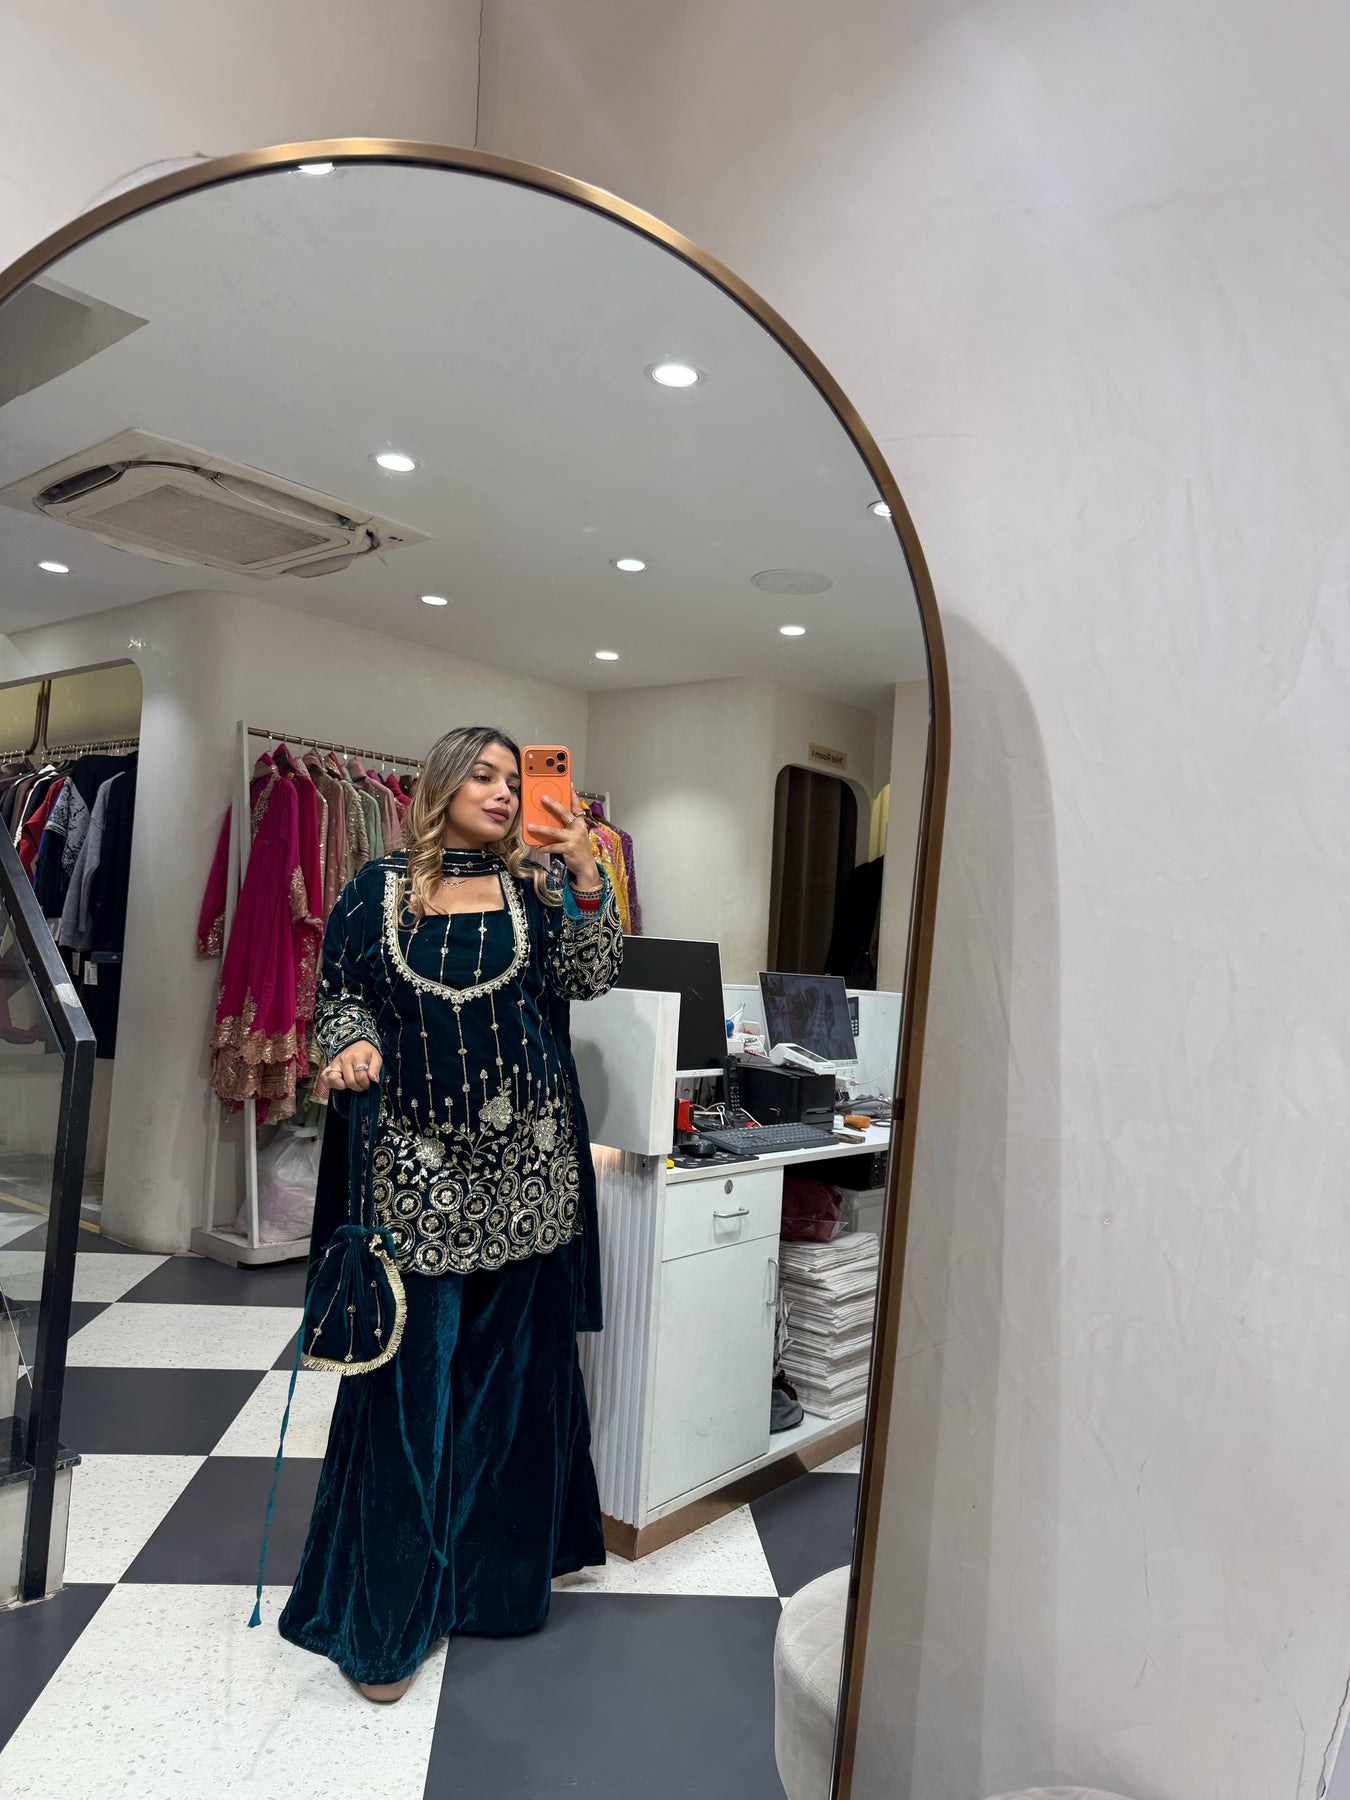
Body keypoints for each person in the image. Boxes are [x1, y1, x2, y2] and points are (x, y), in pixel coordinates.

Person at [277, 725, 623, 1700]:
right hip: (414, 1171)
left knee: (507, 1390)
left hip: (529, 1172)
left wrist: (584, 868)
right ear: (439, 784)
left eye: (516, 779)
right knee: (407, 1392)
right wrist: (348, 1043)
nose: (505, 792)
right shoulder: (374, 890)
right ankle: (388, 1615)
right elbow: (340, 995)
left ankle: (490, 1588)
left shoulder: (534, 892)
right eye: (484, 775)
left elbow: (590, 977)